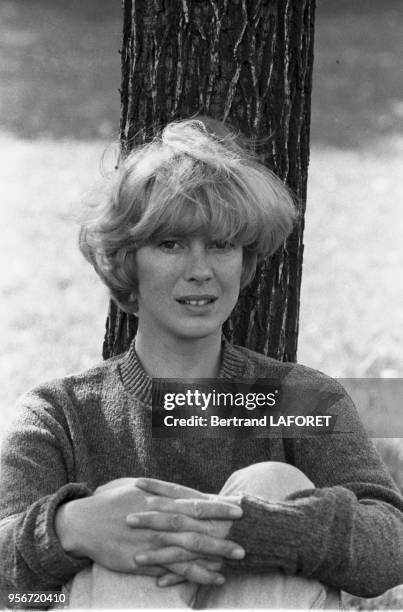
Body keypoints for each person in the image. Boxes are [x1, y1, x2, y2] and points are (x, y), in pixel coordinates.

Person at [0, 117, 402, 609]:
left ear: (244, 261)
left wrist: (257, 529)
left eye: (221, 244)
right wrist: (70, 526)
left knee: (273, 484)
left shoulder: (300, 398)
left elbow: (391, 541)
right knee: (118, 538)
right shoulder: (58, 412)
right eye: (170, 244)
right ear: (129, 261)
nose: (200, 270)